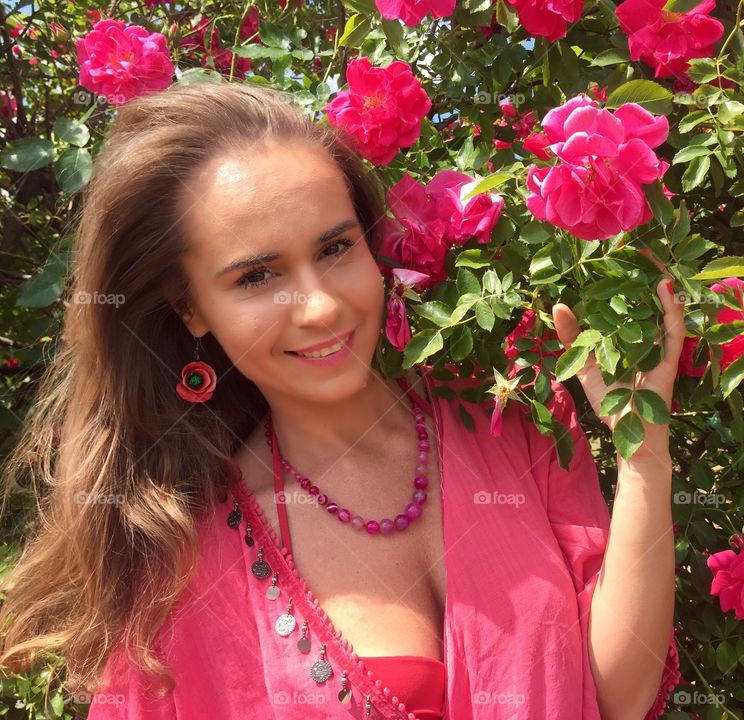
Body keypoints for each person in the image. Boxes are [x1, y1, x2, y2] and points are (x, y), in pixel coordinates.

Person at [0, 81, 682, 719]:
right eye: (257, 276)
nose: (321, 306)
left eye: (334, 248)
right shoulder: (181, 567)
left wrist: (645, 455)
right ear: (190, 307)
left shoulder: (511, 418)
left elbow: (616, 695)